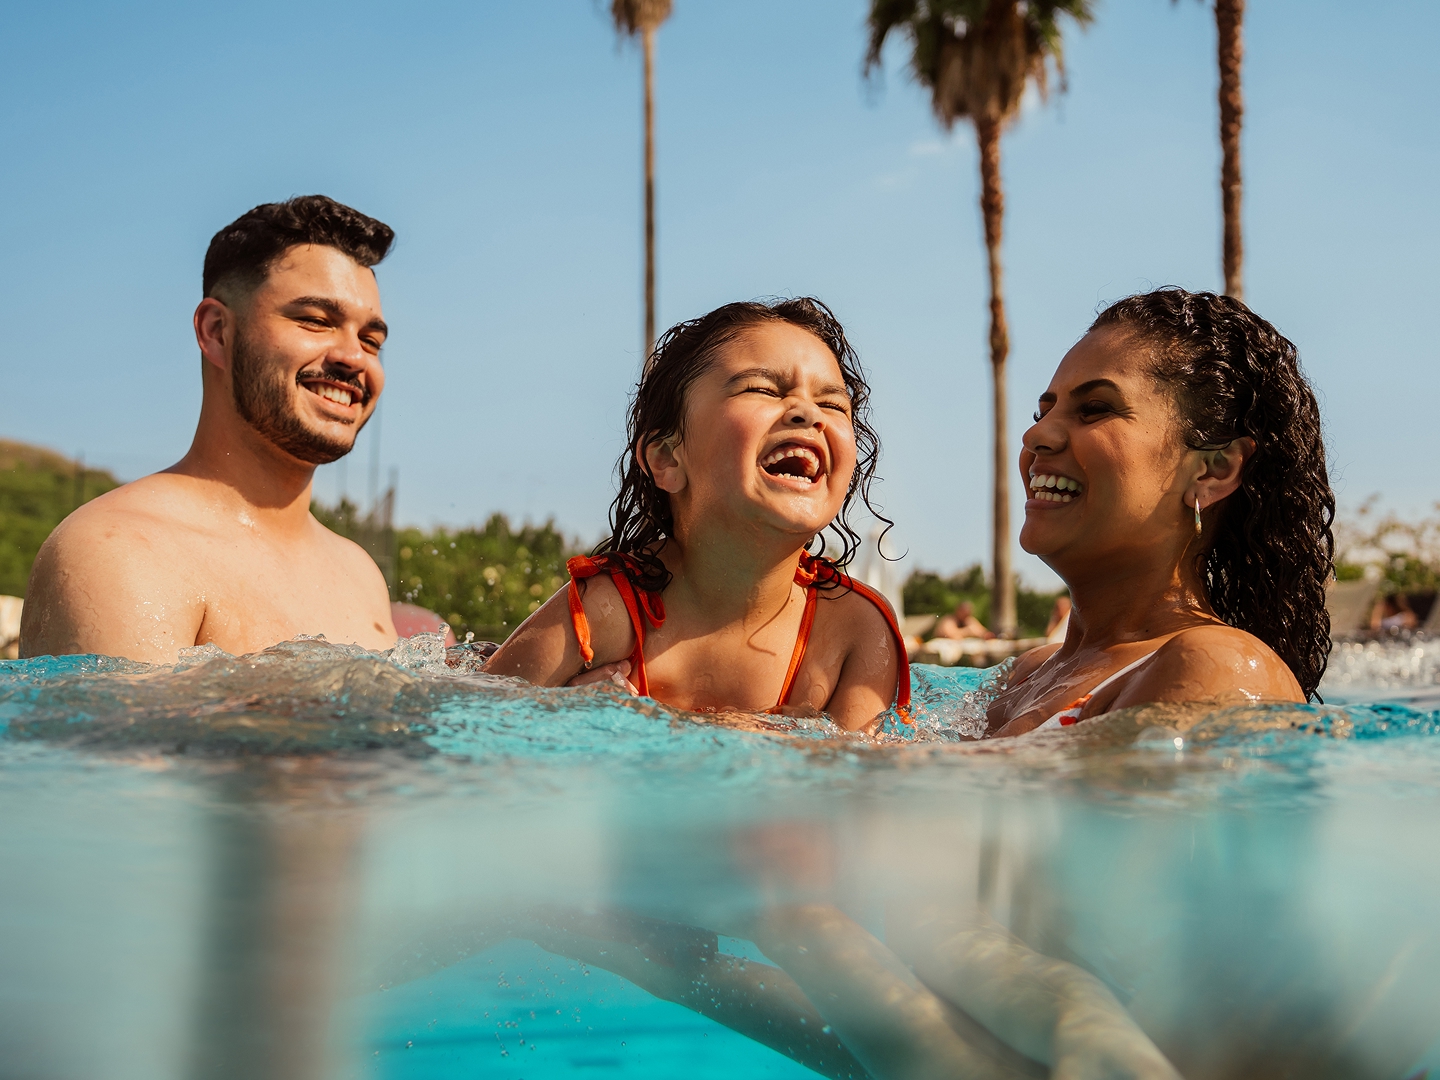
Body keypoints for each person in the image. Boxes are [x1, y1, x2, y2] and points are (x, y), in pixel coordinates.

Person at [484, 299, 910, 732]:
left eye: (834, 404)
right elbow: (467, 723)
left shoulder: (855, 630)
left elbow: (858, 789)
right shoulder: (606, 612)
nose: (808, 412)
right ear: (668, 458)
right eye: (762, 389)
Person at [21, 196, 400, 664]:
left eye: (371, 340)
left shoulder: (358, 574)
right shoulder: (121, 551)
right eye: (316, 321)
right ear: (216, 331)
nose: (354, 357)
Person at [985, 288, 1334, 737]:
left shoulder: (1215, 668)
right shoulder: (1027, 675)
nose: (1036, 434)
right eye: (1043, 410)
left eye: (1095, 409)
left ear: (1213, 470)